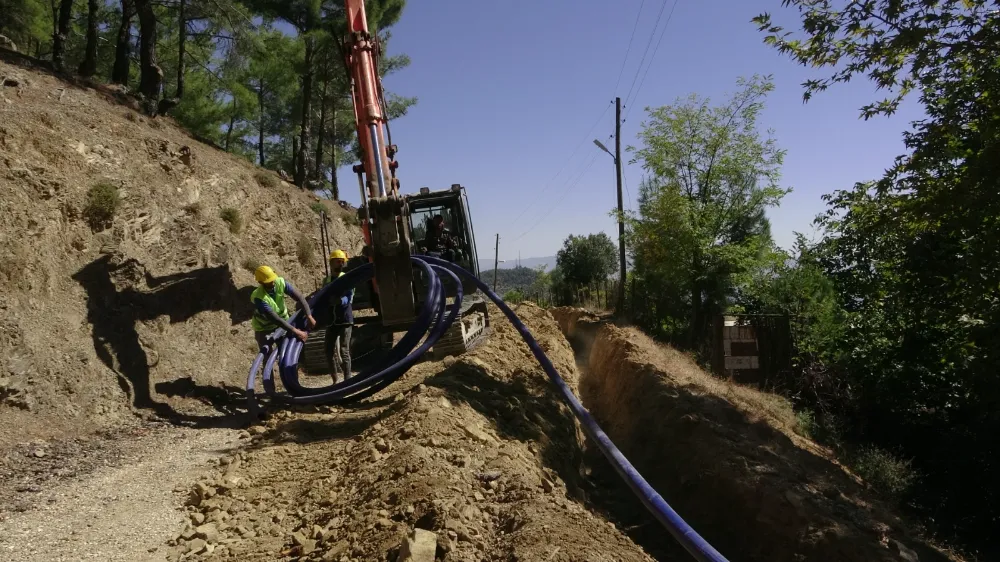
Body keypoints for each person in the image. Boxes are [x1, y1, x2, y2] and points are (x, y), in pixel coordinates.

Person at [251, 265, 316, 353]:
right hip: (264, 328)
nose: (273, 282)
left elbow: (300, 298)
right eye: (269, 281)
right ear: (261, 282)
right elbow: (275, 319)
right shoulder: (259, 298)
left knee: (287, 349)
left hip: (283, 321)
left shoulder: (280, 282)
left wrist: (309, 316)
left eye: (273, 279)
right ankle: (269, 365)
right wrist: (297, 331)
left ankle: (291, 365)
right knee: (266, 353)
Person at [322, 249, 355, 383]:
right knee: (328, 351)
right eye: (338, 262)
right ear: (331, 263)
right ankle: (335, 380)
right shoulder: (327, 280)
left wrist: (340, 301)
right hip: (332, 321)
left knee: (344, 350)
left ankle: (347, 380)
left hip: (345, 319)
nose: (340, 264)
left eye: (342, 262)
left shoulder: (347, 278)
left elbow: (350, 297)